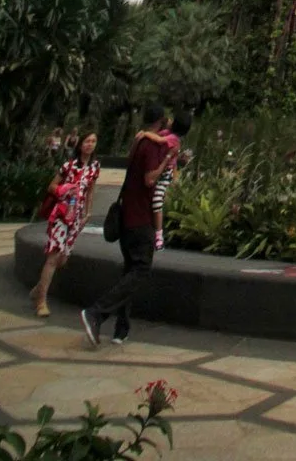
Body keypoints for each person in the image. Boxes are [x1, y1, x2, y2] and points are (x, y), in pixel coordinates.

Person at [81, 106, 171, 348]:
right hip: (140, 219)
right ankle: (96, 313)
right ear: (161, 122)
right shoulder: (154, 146)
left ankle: (121, 328)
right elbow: (150, 179)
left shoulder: (138, 142)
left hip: (127, 218)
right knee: (140, 269)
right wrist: (165, 161)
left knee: (130, 271)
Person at [30, 132, 100, 318]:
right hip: (62, 214)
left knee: (62, 259)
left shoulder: (94, 167)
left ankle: (38, 289)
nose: (90, 145)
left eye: (93, 141)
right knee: (54, 256)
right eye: (87, 141)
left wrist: (88, 212)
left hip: (76, 217)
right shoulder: (69, 166)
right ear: (80, 144)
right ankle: (41, 302)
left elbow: (91, 190)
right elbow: (51, 186)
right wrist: (64, 189)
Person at [150, 112, 193, 251]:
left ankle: (158, 236)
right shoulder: (167, 133)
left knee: (157, 202)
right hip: (157, 170)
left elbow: (158, 140)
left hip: (164, 174)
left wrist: (144, 134)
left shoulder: (173, 139)